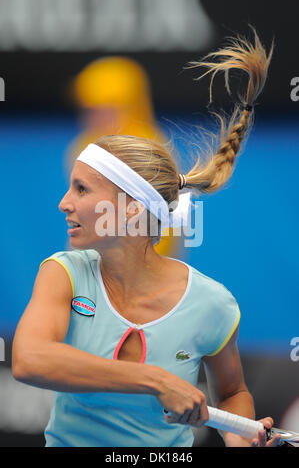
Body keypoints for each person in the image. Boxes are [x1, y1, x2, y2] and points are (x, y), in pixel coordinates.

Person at [12, 29, 281, 447]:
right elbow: (28, 360)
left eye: (82, 190)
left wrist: (240, 438)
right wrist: (155, 380)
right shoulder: (61, 273)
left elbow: (232, 394)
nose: (64, 204)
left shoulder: (212, 303)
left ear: (134, 208)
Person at [65, 56, 181, 258]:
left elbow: (161, 228)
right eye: (88, 109)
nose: (93, 117)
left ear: (130, 107)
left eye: (104, 110)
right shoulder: (82, 147)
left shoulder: (149, 152)